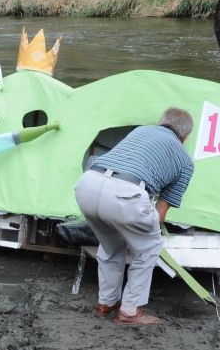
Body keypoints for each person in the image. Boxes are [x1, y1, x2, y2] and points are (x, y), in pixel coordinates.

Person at [73, 108, 194, 326]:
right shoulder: (185, 162)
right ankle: (129, 311)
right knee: (149, 248)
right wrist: (142, 232)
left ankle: (106, 302)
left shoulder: (140, 130)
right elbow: (161, 213)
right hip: (126, 193)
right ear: (185, 137)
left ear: (160, 123)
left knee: (110, 246)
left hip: (88, 184)